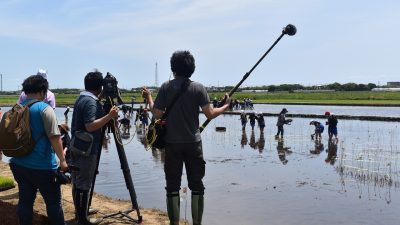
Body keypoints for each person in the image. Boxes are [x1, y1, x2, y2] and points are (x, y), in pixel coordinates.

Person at [142, 50, 230, 225]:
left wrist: (149, 98)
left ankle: (174, 223)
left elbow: (157, 113)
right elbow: (210, 114)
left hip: (172, 144)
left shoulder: (166, 87)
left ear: (173, 67)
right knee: (197, 186)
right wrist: (225, 106)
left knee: (172, 187)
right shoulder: (198, 88)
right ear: (192, 68)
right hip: (193, 144)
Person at [8, 75, 68, 225]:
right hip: (43, 167)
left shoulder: (16, 109)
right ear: (43, 91)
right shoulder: (45, 109)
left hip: (18, 164)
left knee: (25, 202)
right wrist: (63, 160)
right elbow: (55, 138)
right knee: (54, 205)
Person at [70, 70, 119, 225]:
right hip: (87, 148)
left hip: (78, 145)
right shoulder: (91, 102)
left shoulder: (82, 97)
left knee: (77, 181)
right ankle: (83, 220)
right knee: (83, 183)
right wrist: (109, 116)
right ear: (100, 86)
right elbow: (90, 126)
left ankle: (81, 212)